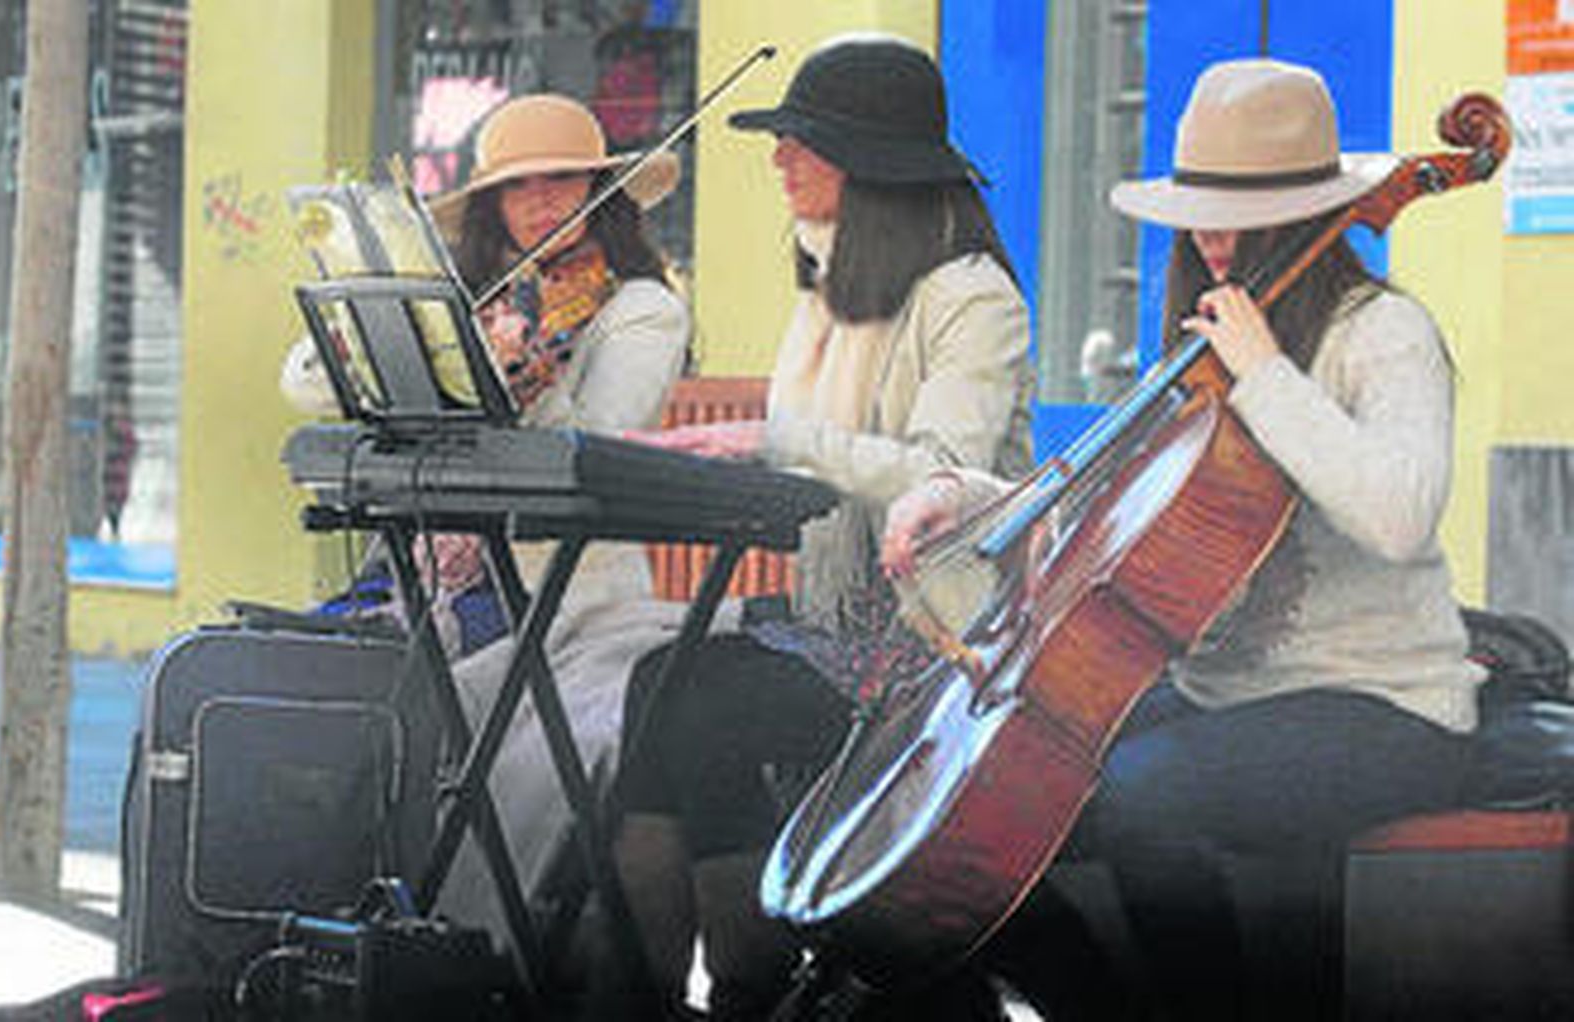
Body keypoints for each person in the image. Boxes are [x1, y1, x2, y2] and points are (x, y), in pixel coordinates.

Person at [881, 59, 1484, 1021]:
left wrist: (1265, 373)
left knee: (1131, 796)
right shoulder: (1205, 330)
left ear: (1305, 210)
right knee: (987, 811)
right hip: (1227, 694)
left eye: (1235, 210)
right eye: (1196, 206)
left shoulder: (1383, 332)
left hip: (1381, 702)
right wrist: (967, 497)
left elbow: (1400, 514)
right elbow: (1113, 495)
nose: (1207, 233)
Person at [612, 34, 1035, 1020]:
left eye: (805, 141)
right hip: (833, 612)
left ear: (874, 164)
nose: (778, 159)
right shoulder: (825, 291)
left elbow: (944, 476)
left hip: (933, 645)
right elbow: (804, 463)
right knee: (659, 683)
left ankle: (748, 995)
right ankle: (635, 993)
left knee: (719, 707)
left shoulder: (971, 296)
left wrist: (779, 441)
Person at [280, 93, 710, 970]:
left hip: (558, 604)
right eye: (521, 188)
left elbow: (595, 442)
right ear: (491, 205)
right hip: (430, 584)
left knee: (410, 708)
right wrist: (432, 338)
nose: (546, 202)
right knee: (309, 689)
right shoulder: (464, 297)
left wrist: (531, 380)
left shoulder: (641, 309)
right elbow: (303, 377)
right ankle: (335, 944)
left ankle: (446, 954)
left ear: (602, 189)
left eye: (565, 181)